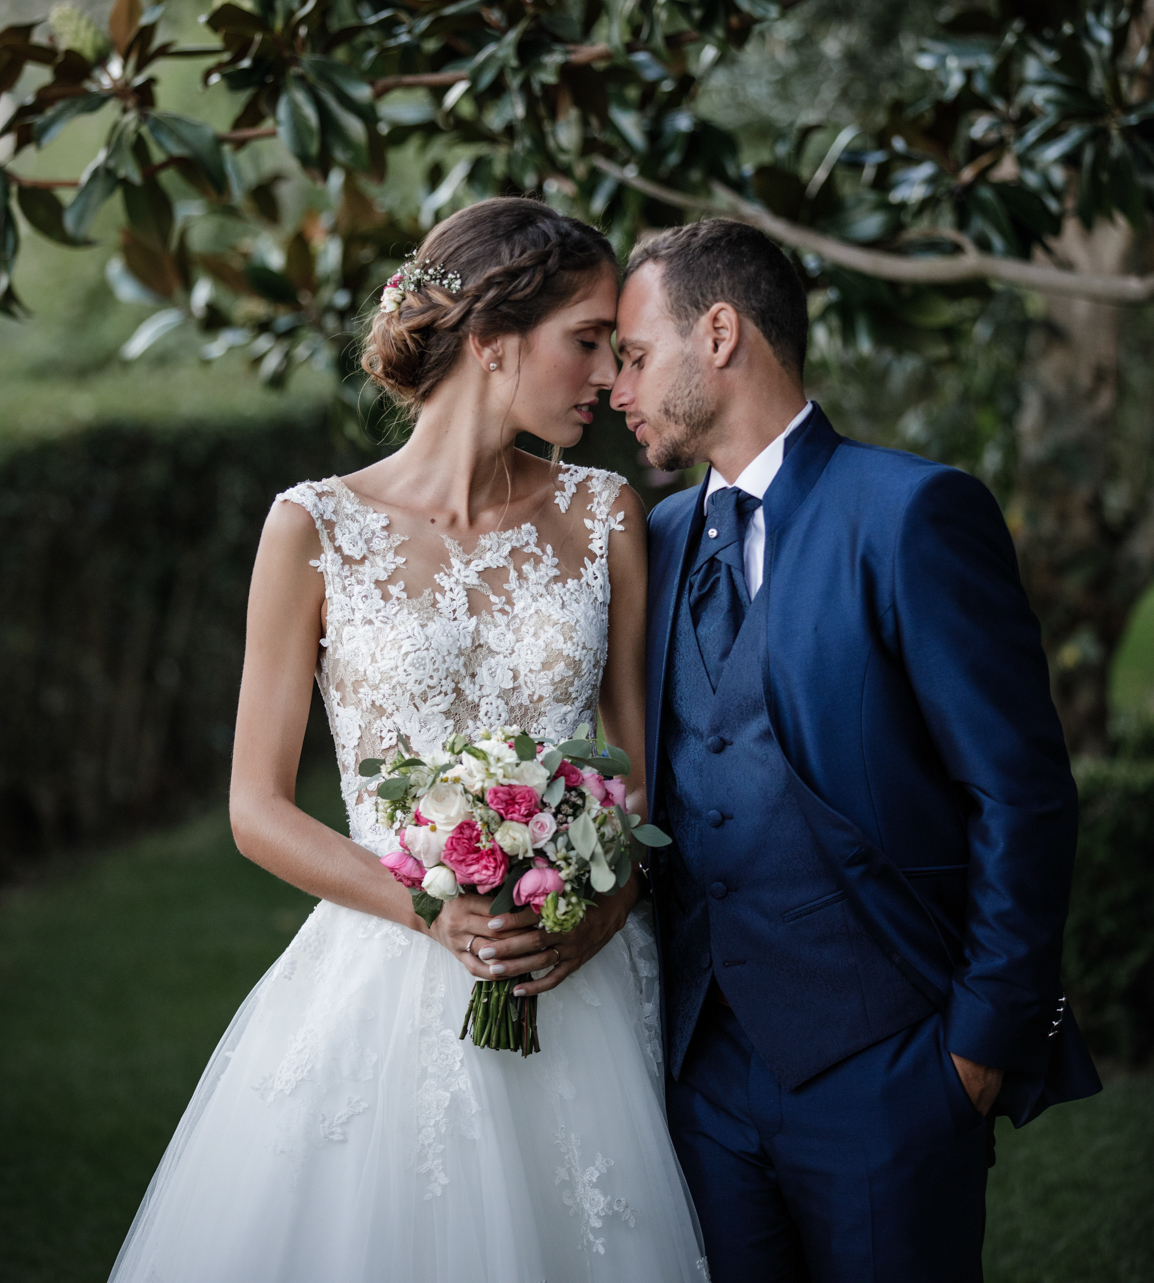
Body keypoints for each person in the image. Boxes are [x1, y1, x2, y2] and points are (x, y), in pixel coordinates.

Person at [108, 197, 706, 1283]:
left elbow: (637, 784)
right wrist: (435, 913)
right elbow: (257, 808)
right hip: (384, 970)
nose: (608, 380)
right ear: (490, 340)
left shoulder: (605, 516)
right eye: (585, 342)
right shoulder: (311, 529)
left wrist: (599, 911)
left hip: (572, 977)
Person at [610, 217, 1101, 1283]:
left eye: (636, 355)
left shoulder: (911, 512)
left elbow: (1019, 796)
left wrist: (973, 1050)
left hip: (891, 1070)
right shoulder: (646, 542)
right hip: (701, 1074)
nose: (616, 387)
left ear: (722, 334)